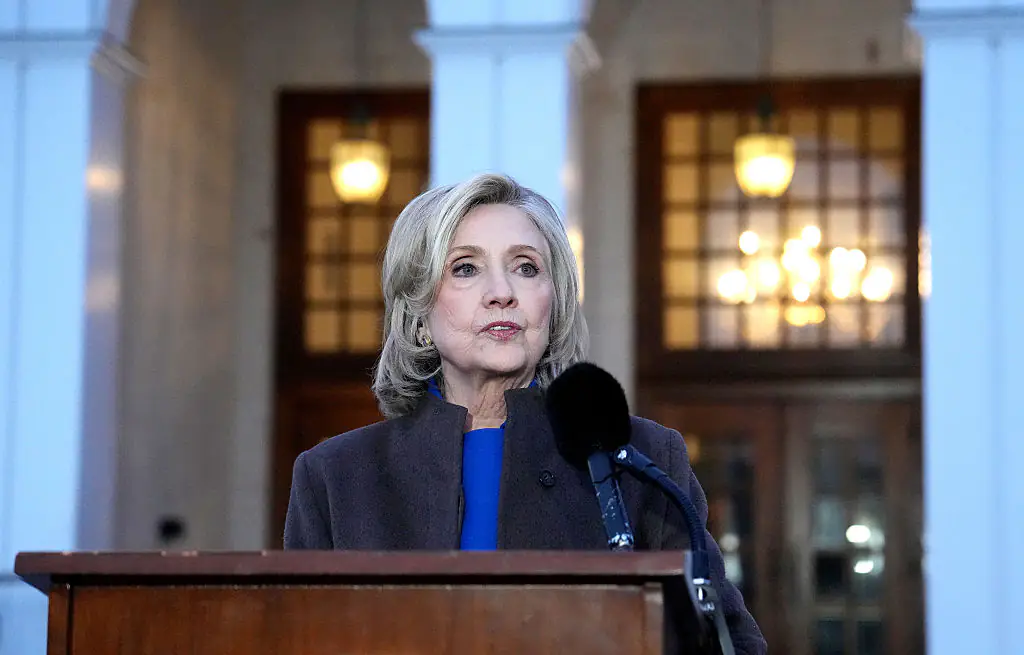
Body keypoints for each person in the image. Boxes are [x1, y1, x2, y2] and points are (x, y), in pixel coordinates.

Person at [283, 172, 766, 653]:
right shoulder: (335, 476)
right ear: (419, 308)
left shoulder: (643, 459)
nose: (502, 292)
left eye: (526, 267)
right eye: (466, 268)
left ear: (552, 304)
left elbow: (726, 642)